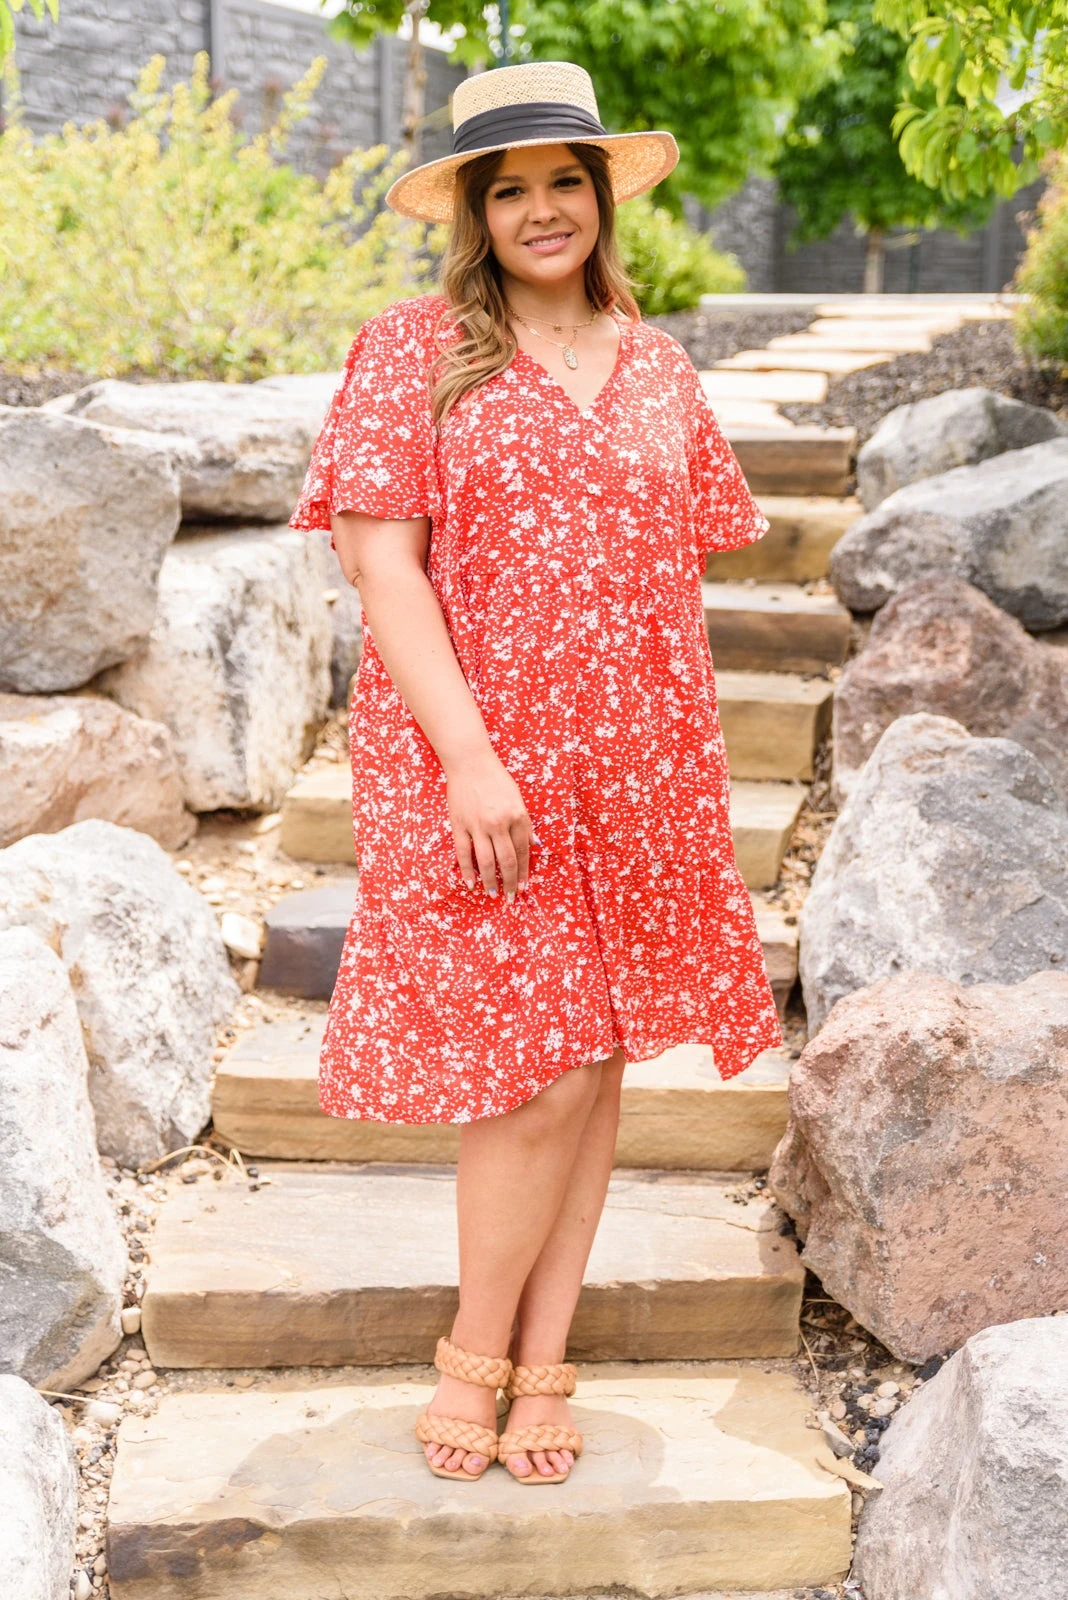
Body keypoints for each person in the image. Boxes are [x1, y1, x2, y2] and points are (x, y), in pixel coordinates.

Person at [289, 59, 783, 1488]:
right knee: (539, 1065)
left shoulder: (659, 364)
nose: (543, 209)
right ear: (475, 212)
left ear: (602, 197)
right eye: (511, 190)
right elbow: (383, 568)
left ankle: (544, 1360)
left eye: (567, 180)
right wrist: (470, 759)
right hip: (473, 756)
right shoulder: (412, 349)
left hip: (638, 758)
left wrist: (659, 752)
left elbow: (669, 569)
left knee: (597, 1052)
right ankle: (473, 1354)